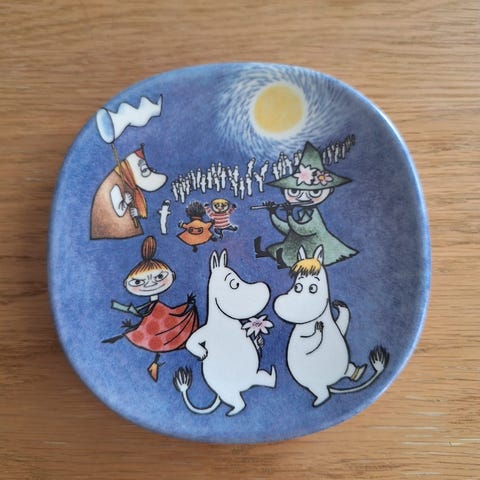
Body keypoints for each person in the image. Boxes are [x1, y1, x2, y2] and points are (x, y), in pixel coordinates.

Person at [102, 236, 198, 381]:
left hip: (160, 325)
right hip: (153, 326)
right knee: (154, 340)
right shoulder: (153, 306)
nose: (150, 284)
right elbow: (145, 311)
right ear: (126, 284)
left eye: (159, 277)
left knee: (159, 340)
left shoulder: (156, 306)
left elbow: (172, 312)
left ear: (172, 275)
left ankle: (153, 363)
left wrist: (187, 305)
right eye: (138, 282)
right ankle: (151, 362)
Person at [254, 142, 358, 268]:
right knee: (279, 250)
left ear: (329, 190)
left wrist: (289, 214)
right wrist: (272, 213)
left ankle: (284, 262)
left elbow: (302, 230)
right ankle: (265, 254)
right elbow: (288, 229)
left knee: (295, 255)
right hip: (296, 246)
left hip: (315, 249)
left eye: (315, 192)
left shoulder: (313, 215)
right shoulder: (303, 213)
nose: (303, 197)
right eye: (294, 191)